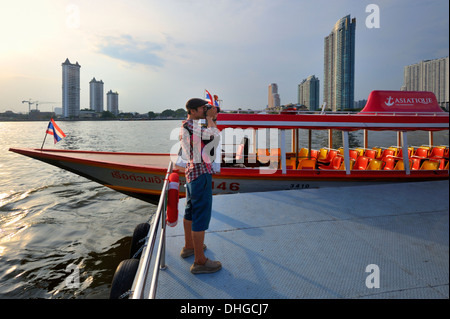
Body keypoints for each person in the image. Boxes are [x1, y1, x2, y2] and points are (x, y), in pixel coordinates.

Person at [179, 98, 222, 274]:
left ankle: (189, 246)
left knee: (190, 211)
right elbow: (214, 138)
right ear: (194, 110)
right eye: (203, 109)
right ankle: (199, 261)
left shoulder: (186, 125)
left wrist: (212, 118)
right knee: (200, 217)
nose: (206, 111)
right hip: (200, 175)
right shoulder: (193, 126)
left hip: (191, 174)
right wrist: (211, 119)